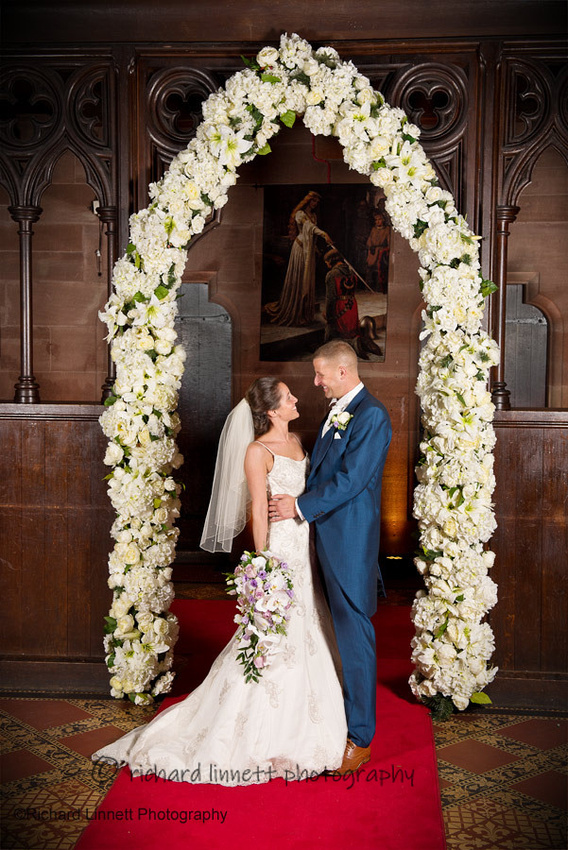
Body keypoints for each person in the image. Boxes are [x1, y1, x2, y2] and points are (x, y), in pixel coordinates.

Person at [92, 377, 347, 785]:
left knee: (310, 625)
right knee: (272, 636)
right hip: (280, 553)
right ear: (271, 410)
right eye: (288, 397)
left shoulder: (298, 441)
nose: (296, 398)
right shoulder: (256, 451)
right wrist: (264, 567)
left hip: (306, 549)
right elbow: (259, 513)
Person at [269, 340, 392, 775]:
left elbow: (352, 480)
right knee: (329, 634)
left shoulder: (372, 415)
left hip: (348, 542)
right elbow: (322, 469)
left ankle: (360, 738)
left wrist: (299, 507)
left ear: (343, 372)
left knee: (354, 636)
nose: (316, 382)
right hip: (319, 539)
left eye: (321, 374)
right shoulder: (335, 410)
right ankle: (330, 717)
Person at [265, 191, 332, 326]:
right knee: (299, 279)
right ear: (308, 201)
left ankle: (303, 313)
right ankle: (295, 312)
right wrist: (324, 234)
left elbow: (312, 234)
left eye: (317, 203)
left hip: (309, 249)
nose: (315, 204)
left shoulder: (313, 215)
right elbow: (309, 228)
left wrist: (316, 249)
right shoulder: (300, 214)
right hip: (300, 248)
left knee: (306, 280)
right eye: (313, 201)